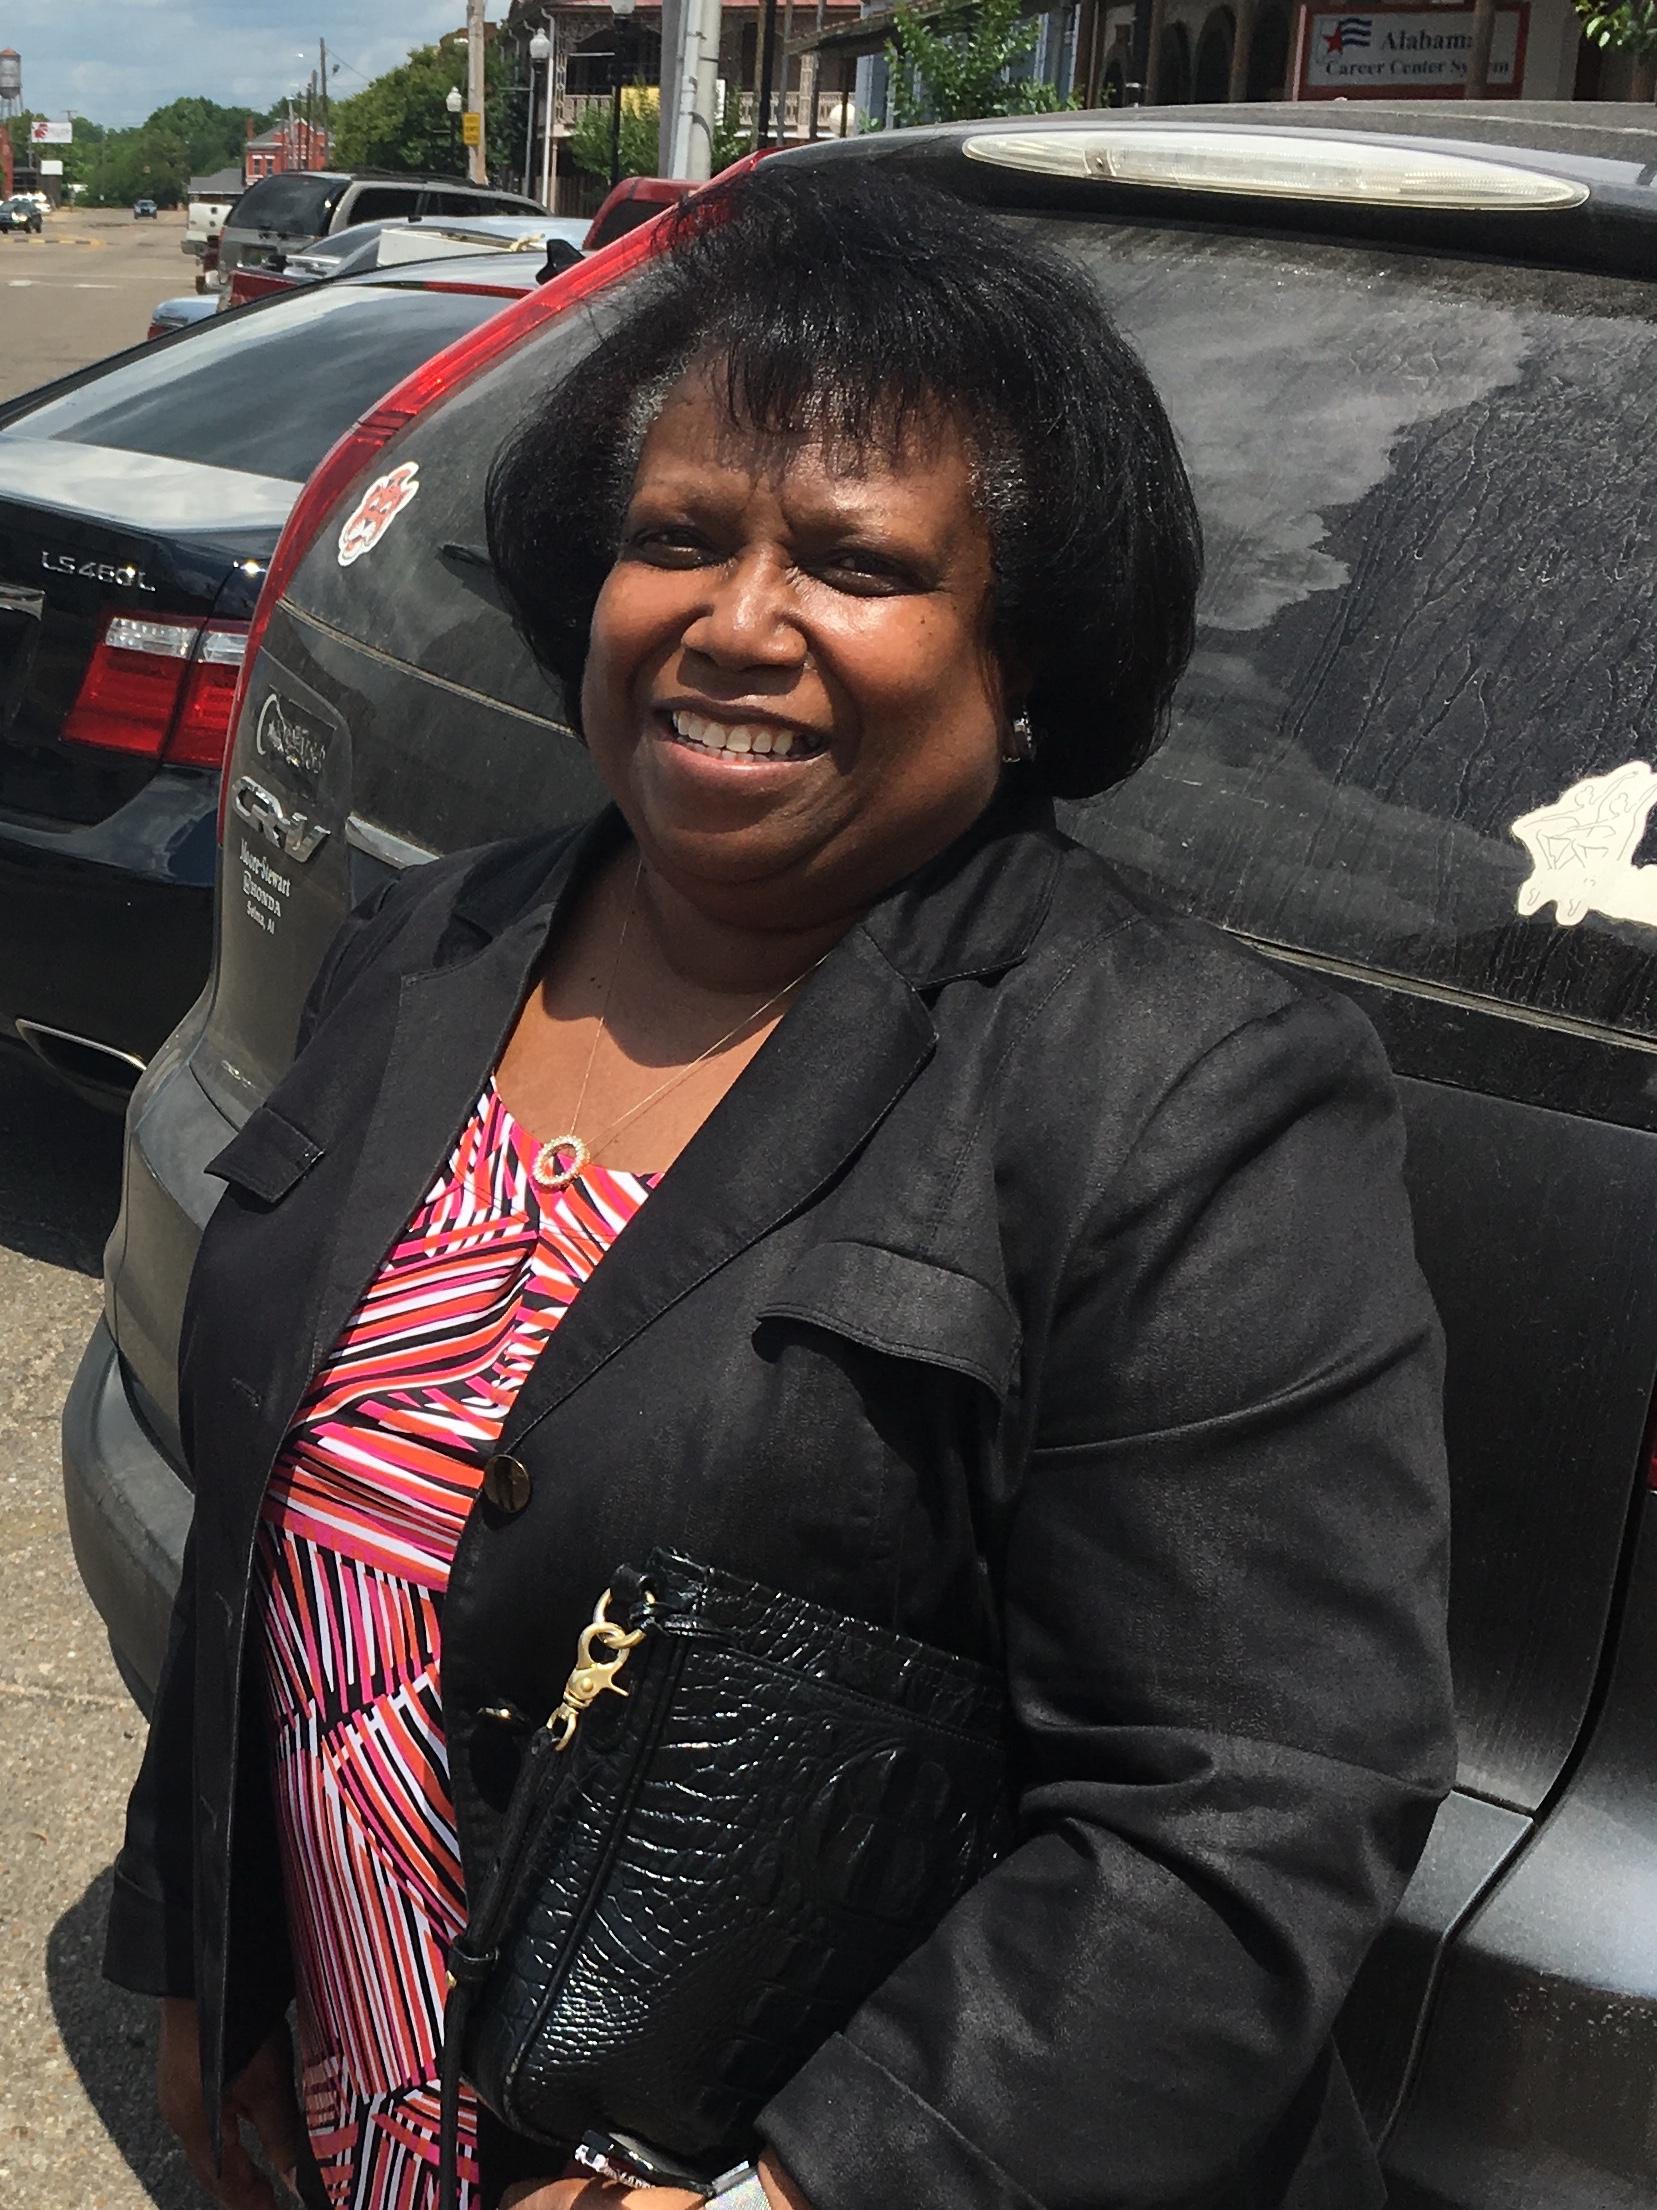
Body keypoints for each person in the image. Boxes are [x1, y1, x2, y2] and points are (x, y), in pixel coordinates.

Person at [104, 160, 1454, 2210]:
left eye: (855, 560)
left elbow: (1244, 1811)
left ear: (1023, 657)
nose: (736, 624)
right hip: (386, 2117)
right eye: (676, 539)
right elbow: (268, 1535)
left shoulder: (1189, 1096)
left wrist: (787, 2195)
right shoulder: (437, 944)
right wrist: (205, 1942)